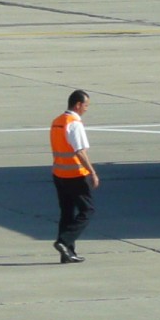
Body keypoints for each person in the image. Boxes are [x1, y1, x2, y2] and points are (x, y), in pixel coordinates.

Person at [50, 89, 99, 264]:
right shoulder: (74, 123)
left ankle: (67, 253)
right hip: (75, 175)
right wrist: (92, 172)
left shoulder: (57, 122)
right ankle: (63, 242)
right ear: (78, 105)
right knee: (88, 210)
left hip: (59, 174)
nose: (86, 109)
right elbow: (80, 152)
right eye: (86, 105)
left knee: (67, 213)